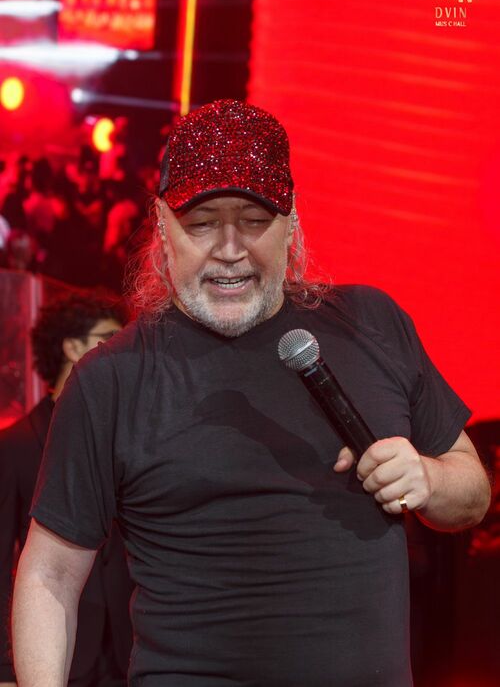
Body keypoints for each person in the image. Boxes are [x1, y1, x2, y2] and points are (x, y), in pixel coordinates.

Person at [12, 100, 490, 686]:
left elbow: (472, 493)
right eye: (202, 222)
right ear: (162, 225)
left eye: (255, 219)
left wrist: (429, 478)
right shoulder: (110, 379)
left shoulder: (372, 323)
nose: (230, 248)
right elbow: (50, 576)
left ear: (292, 221)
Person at [0, 291, 132, 687]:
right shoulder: (16, 444)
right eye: (108, 337)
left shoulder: (124, 432)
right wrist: (5, 667)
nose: (119, 350)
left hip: (128, 648)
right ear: (72, 347)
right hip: (56, 651)